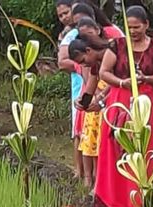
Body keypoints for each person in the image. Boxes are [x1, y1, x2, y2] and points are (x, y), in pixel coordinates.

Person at [96, 6, 153, 207]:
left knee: (141, 145)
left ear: (146, 25)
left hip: (145, 100)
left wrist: (145, 79)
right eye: (129, 28)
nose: (133, 31)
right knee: (115, 145)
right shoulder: (117, 45)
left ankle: (138, 198)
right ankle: (112, 196)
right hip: (120, 98)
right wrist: (121, 82)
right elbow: (103, 72)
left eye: (137, 27)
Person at [69, 31, 112, 190]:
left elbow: (114, 85)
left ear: (89, 51)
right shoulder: (95, 65)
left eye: (83, 61)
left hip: (115, 105)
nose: (84, 65)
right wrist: (83, 102)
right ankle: (98, 182)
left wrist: (100, 100)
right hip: (101, 104)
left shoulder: (111, 56)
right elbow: (90, 87)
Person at [59, 3, 97, 183]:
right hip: (82, 89)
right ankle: (81, 172)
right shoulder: (71, 38)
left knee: (96, 136)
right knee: (80, 132)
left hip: (98, 92)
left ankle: (96, 176)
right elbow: (62, 63)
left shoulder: (103, 42)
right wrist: (80, 66)